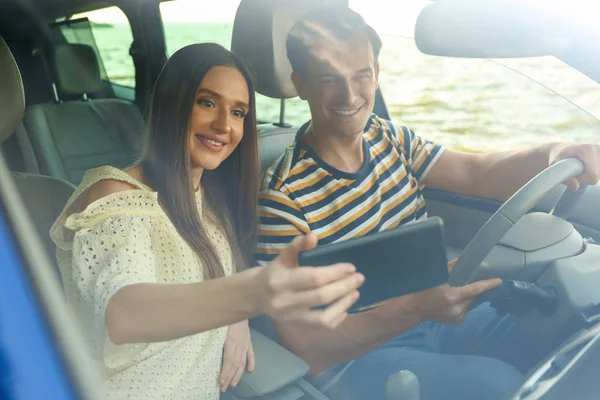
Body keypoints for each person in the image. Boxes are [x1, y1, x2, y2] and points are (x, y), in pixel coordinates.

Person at [254, 6, 600, 400]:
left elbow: (477, 172)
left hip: (431, 315)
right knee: (501, 386)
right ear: (301, 84)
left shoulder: (388, 137)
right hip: (357, 356)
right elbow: (309, 346)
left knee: (564, 339)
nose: (349, 95)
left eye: (361, 75)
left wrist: (554, 151)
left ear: (377, 73)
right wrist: (415, 307)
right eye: (329, 79)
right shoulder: (282, 199)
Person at [50, 43, 364, 400]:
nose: (223, 125)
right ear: (173, 103)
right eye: (208, 103)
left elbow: (204, 280)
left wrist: (236, 317)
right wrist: (250, 296)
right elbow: (123, 313)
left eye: (238, 112)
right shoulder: (116, 197)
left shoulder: (209, 202)